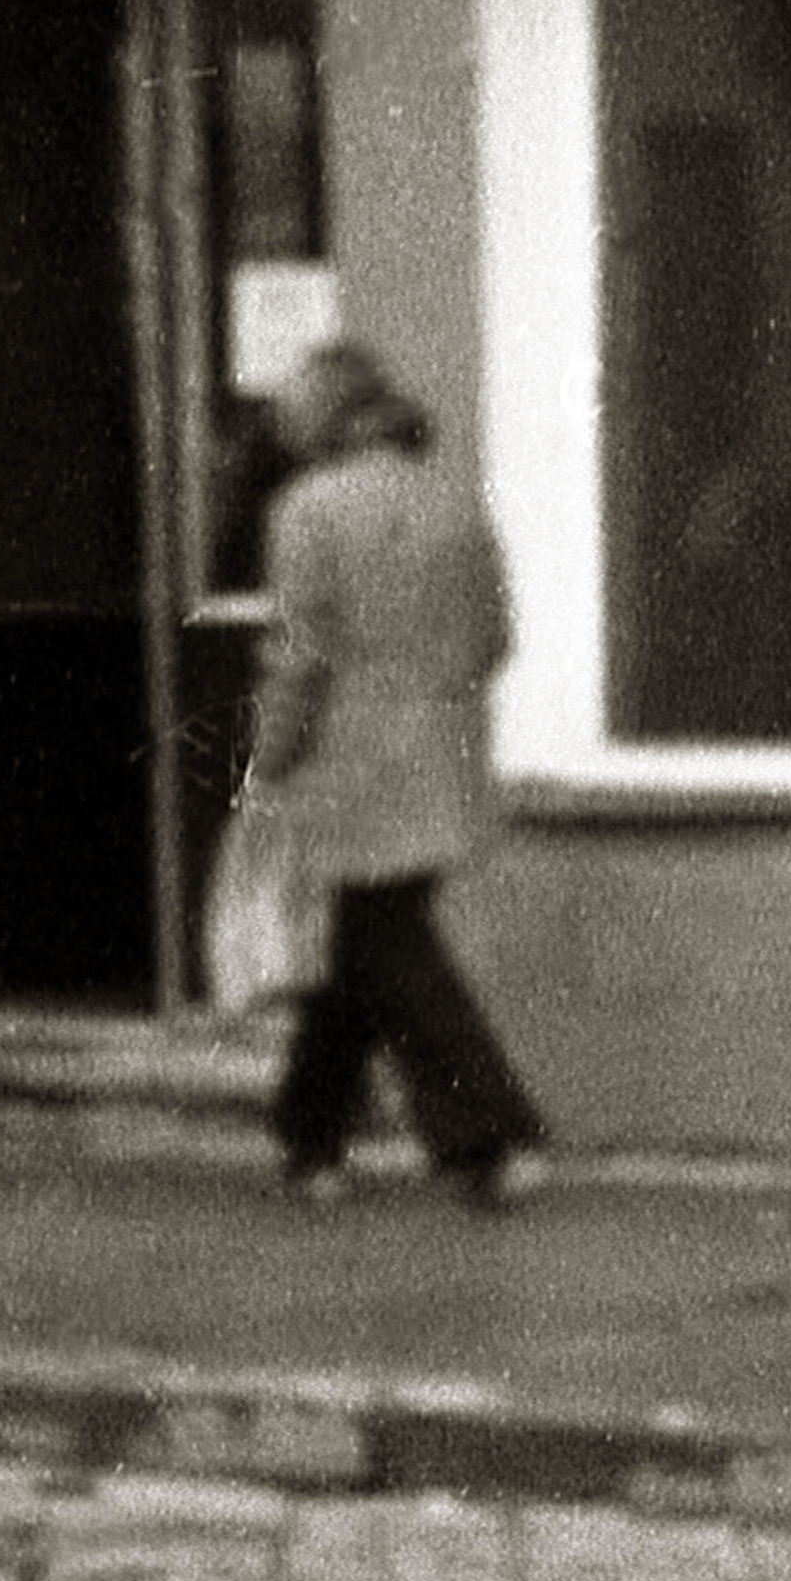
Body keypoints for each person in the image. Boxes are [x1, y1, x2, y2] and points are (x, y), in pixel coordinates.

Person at [247, 335, 547, 1209]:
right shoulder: (455, 501)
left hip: (352, 771)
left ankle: (492, 1134)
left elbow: (299, 660)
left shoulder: (307, 510)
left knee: (388, 949)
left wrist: (267, 763)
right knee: (361, 945)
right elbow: (495, 640)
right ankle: (309, 1137)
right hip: (445, 760)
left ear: (320, 422)